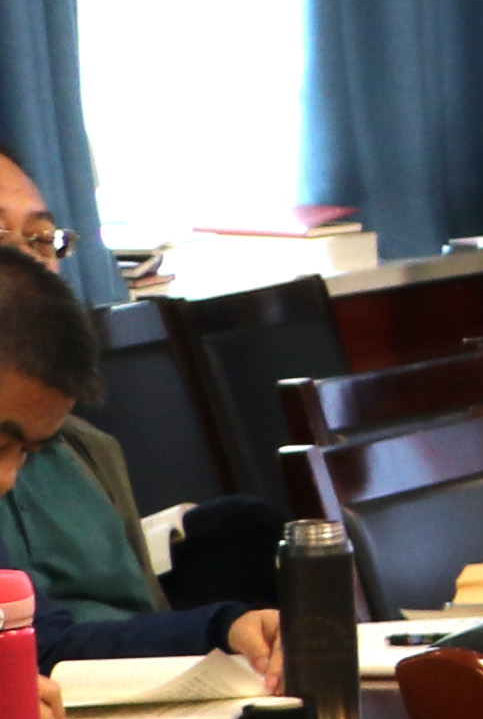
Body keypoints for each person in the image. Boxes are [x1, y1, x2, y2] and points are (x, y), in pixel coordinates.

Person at [0, 247, 279, 677]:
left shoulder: (88, 448)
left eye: (25, 452)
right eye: (2, 443)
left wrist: (224, 629)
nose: (8, 478)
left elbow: (45, 644)